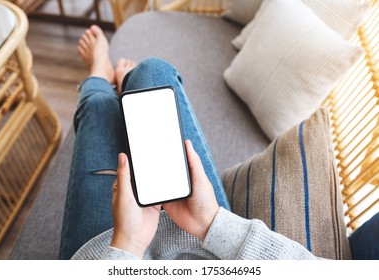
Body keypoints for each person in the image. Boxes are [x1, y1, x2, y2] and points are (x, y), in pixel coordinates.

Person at [59, 25, 378, 260]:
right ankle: (121, 85)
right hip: (205, 242)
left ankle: (99, 77)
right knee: (152, 73)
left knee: (99, 110)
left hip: (107, 253)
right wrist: (211, 222)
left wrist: (127, 243)